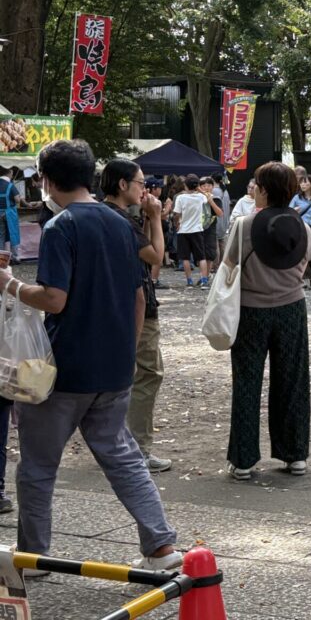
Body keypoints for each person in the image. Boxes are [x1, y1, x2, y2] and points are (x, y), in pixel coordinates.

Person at [1, 139, 180, 570]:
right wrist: (127, 350)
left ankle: (33, 557)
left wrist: (9, 283)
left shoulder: (60, 227)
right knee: (123, 457)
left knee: (38, 467)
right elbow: (139, 295)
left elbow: (54, 299)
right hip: (114, 367)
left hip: (65, 369)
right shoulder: (120, 224)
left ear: (47, 180)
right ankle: (161, 546)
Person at [222, 162, 311, 480]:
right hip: (291, 308)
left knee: (247, 382)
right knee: (293, 380)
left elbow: (229, 263)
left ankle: (243, 460)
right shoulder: (303, 227)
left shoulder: (244, 225)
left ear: (262, 190)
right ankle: (295, 454)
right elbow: (304, 263)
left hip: (250, 309)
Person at [100, 160, 172, 473]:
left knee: (118, 374)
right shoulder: (120, 219)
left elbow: (137, 251)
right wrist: (155, 218)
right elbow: (155, 257)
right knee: (148, 373)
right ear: (122, 184)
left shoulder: (102, 214)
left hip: (111, 306)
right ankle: (137, 448)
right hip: (137, 305)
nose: (145, 189)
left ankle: (114, 443)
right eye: (141, 183)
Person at [145, 177, 168, 289]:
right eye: (159, 188)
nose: (161, 190)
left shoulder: (150, 200)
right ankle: (153, 280)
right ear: (153, 189)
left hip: (154, 231)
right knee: (156, 256)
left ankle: (154, 279)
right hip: (153, 232)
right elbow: (160, 216)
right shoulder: (152, 201)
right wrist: (168, 208)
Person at [198, 176, 224, 273]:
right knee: (200, 253)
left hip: (210, 229)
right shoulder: (197, 199)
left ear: (213, 187)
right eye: (203, 186)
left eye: (209, 185)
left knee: (209, 254)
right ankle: (203, 275)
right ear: (200, 187)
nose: (206, 188)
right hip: (198, 228)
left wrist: (211, 201)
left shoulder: (216, 199)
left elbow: (220, 214)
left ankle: (206, 275)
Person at [0, 166, 22, 263]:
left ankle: (1, 259)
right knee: (14, 234)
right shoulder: (10, 185)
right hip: (9, 213)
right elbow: (17, 200)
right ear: (10, 172)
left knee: (1, 236)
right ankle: (15, 257)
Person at [212, 173, 231, 263]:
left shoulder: (214, 191)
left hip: (217, 220)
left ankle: (215, 265)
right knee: (222, 243)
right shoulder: (225, 191)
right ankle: (222, 264)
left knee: (215, 244)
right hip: (225, 220)